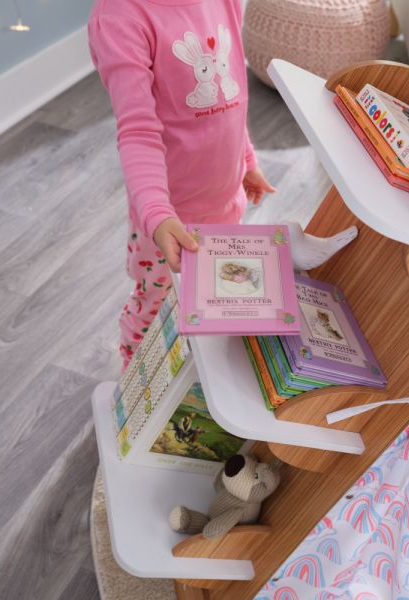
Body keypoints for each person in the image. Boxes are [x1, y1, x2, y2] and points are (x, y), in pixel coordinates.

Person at [88, 0, 275, 369]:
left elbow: (230, 94)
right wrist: (158, 216)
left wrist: (247, 159)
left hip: (225, 205)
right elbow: (138, 131)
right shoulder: (119, 17)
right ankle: (135, 381)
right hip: (165, 224)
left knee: (212, 302)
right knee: (154, 309)